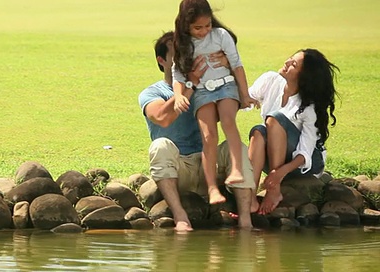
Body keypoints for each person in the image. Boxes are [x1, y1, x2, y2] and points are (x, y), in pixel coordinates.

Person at [138, 31, 255, 231]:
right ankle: (180, 215)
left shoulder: (207, 88)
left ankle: (246, 219)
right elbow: (162, 118)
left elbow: (236, 106)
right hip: (179, 170)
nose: (186, 58)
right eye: (178, 54)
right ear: (162, 60)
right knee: (160, 146)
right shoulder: (152, 93)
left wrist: (226, 66)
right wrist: (190, 84)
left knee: (235, 148)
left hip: (206, 164)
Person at [171, 0, 257, 205]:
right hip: (202, 91)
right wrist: (179, 96)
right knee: (208, 136)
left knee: (228, 121)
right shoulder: (183, 44)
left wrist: (244, 94)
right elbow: (177, 74)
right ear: (185, 25)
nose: (203, 31)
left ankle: (236, 169)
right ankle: (212, 189)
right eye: (197, 27)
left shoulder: (221, 36)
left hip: (226, 85)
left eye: (207, 25)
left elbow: (237, 65)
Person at [247, 49, 339, 214]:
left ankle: (274, 191)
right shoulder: (270, 80)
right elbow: (244, 98)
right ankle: (249, 198)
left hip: (305, 163)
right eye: (290, 58)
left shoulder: (310, 107)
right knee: (258, 132)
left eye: (293, 64)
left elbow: (305, 152)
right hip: (276, 155)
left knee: (274, 119)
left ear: (303, 77)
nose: (287, 63)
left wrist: (278, 174)